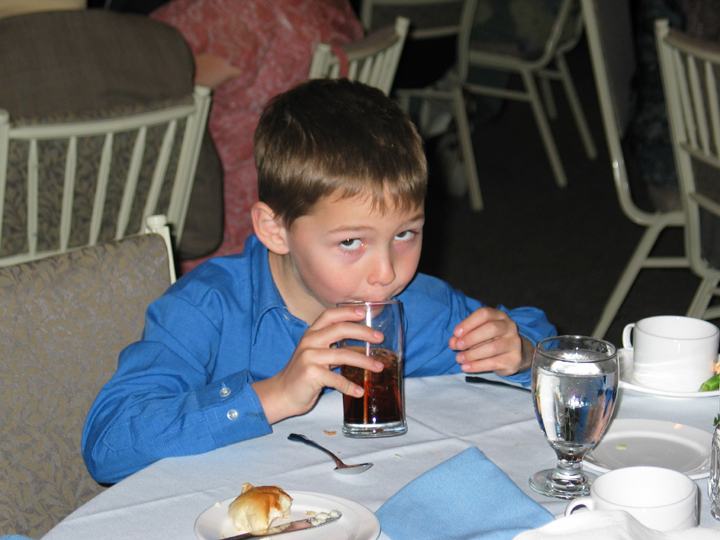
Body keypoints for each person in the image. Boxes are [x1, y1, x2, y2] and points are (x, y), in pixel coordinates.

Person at [82, 79, 556, 484]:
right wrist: (275, 393)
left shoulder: (412, 306)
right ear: (275, 229)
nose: (387, 273)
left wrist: (520, 351)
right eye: (351, 242)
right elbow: (109, 443)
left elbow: (538, 340)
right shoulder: (207, 308)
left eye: (405, 234)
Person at [148, 0, 365, 273]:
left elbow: (155, 79)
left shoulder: (242, 15)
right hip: (310, 165)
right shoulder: (333, 8)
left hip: (231, 182)